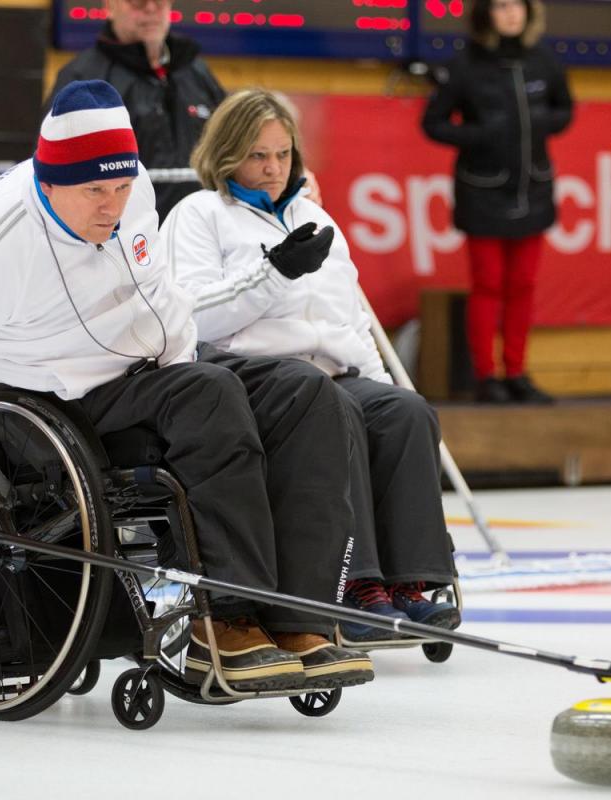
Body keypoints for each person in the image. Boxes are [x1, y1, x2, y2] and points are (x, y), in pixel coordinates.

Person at [0, 80, 375, 691]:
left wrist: (186, 357)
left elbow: (161, 298)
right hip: (61, 398)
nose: (112, 205)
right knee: (209, 395)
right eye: (94, 192)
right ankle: (225, 620)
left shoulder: (131, 189)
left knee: (307, 393)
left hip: (160, 366)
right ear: (46, 184)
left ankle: (300, 618)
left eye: (121, 187)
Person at [159, 88, 460, 642]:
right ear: (227, 154)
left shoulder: (315, 217)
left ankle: (412, 583)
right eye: (257, 155)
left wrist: (380, 380)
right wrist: (274, 272)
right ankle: (355, 586)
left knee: (403, 411)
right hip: (258, 381)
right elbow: (191, 318)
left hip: (331, 370)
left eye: (282, 153)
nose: (273, 168)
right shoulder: (199, 215)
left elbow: (350, 319)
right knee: (337, 408)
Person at [421, 0, 573, 404]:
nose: (512, 13)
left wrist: (542, 122)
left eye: (518, 5)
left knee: (523, 285)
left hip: (534, 188)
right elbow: (432, 123)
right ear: (485, 13)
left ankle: (517, 373)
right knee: (487, 285)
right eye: (502, 5)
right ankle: (487, 377)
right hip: (483, 191)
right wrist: (479, 134)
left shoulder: (544, 62)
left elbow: (566, 110)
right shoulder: (465, 65)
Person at [47, 0, 224, 222]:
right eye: (137, 2)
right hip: (117, 237)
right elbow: (54, 174)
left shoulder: (198, 72)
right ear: (110, 6)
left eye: (159, 1)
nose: (150, 9)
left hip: (198, 236)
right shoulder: (81, 80)